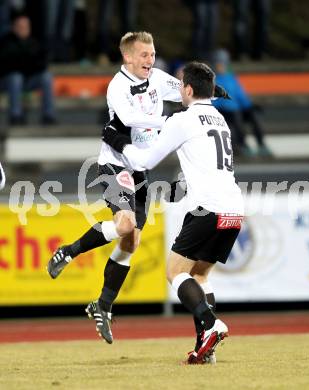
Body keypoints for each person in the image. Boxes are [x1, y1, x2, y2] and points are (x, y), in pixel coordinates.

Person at [103, 62, 244, 364]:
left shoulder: (183, 119)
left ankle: (211, 325)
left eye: (181, 85)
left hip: (209, 205)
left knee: (175, 272)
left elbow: (145, 160)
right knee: (200, 275)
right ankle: (204, 348)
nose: (179, 90)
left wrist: (118, 141)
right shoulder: (219, 118)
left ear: (189, 90)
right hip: (233, 208)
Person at [47, 31, 182, 344]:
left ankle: (102, 305)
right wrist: (174, 122)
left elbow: (186, 92)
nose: (151, 60)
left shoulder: (159, 78)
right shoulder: (117, 87)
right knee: (125, 224)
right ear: (128, 58)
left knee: (131, 241)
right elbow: (132, 118)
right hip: (115, 165)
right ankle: (69, 251)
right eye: (145, 55)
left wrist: (208, 93)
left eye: (152, 54)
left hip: (140, 169)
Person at [211, 48, 272, 157]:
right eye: (218, 64)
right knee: (236, 117)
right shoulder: (212, 81)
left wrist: (250, 106)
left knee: (253, 116)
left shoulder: (231, 78)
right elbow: (212, 100)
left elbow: (240, 95)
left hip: (236, 109)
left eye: (223, 64)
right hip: (223, 111)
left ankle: (261, 144)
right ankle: (242, 144)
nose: (221, 66)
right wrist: (225, 106)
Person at [0, 13, 56, 125]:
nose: (23, 29)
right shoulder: (5, 42)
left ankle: (48, 115)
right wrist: (26, 63)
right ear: (14, 27)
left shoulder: (34, 42)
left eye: (26, 26)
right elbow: (6, 65)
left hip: (29, 80)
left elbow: (42, 63)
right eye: (20, 26)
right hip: (7, 82)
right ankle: (16, 115)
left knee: (46, 76)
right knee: (16, 77)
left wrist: (22, 63)